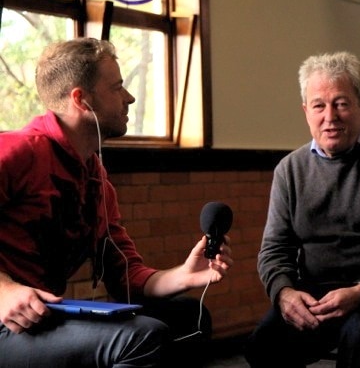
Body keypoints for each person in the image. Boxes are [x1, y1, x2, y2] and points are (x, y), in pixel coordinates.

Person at [0, 37, 234, 367]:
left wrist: (184, 274)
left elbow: (127, 276)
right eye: (117, 87)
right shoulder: (18, 151)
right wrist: (4, 291)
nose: (130, 97)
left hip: (43, 314)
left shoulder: (95, 176)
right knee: (142, 338)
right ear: (81, 100)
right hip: (6, 320)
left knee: (189, 319)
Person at [244, 51, 360, 368]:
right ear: (306, 111)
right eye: (319, 105)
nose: (329, 116)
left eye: (341, 104)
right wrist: (284, 293)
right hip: (316, 296)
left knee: (359, 334)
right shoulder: (289, 170)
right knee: (264, 343)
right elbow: (274, 248)